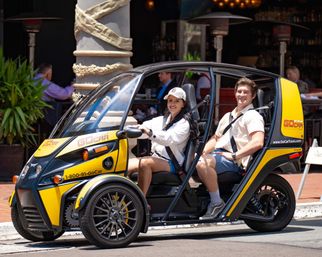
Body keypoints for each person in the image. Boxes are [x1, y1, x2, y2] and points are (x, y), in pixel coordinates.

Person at [196, 77, 265, 220]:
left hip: (234, 162)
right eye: (239, 91)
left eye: (246, 92)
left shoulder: (253, 116)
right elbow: (216, 139)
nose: (241, 95)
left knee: (202, 163)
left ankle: (216, 203)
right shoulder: (228, 116)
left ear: (252, 96)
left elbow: (258, 142)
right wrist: (201, 153)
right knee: (194, 160)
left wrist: (235, 155)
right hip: (218, 156)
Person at [127, 87, 190, 196]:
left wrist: (150, 133)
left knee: (145, 163)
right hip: (156, 157)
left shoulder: (184, 124)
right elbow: (144, 128)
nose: (172, 103)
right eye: (170, 100)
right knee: (124, 165)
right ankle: (124, 196)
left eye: (177, 101)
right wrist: (130, 129)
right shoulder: (161, 120)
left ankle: (142, 201)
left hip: (172, 162)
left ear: (183, 104)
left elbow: (169, 139)